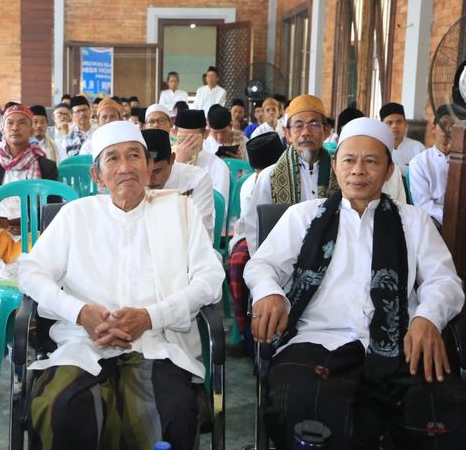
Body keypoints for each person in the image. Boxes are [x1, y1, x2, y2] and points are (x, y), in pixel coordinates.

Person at [243, 117, 466, 449]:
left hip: (399, 344)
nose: (359, 170)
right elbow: (262, 264)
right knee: (299, 403)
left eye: (371, 161)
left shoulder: (414, 221)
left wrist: (428, 317)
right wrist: (269, 293)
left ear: (389, 171)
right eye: (349, 160)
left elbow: (444, 279)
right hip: (317, 341)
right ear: (337, 165)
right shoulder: (303, 216)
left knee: (455, 416)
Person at [19, 120, 224, 450]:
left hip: (157, 342)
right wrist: (80, 312)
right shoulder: (76, 215)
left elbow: (210, 279)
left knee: (171, 413)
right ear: (97, 176)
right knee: (63, 408)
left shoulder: (180, 211)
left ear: (148, 166)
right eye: (112, 159)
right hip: (85, 343)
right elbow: (30, 272)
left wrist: (151, 316)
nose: (126, 167)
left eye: (134, 156)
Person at [0, 104, 58, 311]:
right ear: (3, 129)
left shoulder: (46, 166)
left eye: (22, 122)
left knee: (37, 258)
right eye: (10, 123)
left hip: (32, 232)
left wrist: (30, 224)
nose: (16, 127)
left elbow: (52, 209)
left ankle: (30, 314)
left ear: (32, 129)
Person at [243, 95, 337, 252]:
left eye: (313, 124)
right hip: (283, 265)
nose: (306, 132)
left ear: (326, 131)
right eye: (298, 125)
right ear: (287, 134)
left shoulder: (340, 174)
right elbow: (256, 227)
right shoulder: (270, 177)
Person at [227, 132, 284, 346]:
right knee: (240, 262)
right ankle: (245, 331)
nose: (263, 175)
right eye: (259, 171)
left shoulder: (293, 174)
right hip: (252, 236)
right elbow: (250, 225)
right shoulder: (250, 185)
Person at [143, 128, 215, 241]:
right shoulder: (132, 182)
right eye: (144, 172)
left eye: (157, 171)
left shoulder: (197, 179)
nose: (149, 180)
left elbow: (201, 232)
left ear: (172, 159)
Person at [174, 109, 231, 212]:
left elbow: (218, 210)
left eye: (192, 139)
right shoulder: (167, 163)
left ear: (205, 134)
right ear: (174, 134)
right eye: (183, 138)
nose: (187, 144)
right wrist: (178, 165)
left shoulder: (218, 166)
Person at [408, 111, 455, 228]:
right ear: (433, 128)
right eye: (443, 124)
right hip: (433, 219)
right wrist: (450, 218)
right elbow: (423, 204)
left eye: (452, 126)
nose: (447, 130)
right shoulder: (419, 162)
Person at [380, 102, 425, 176]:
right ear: (382, 125)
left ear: (405, 124)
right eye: (389, 123)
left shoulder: (418, 148)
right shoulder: (378, 148)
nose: (394, 126)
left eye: (399, 122)